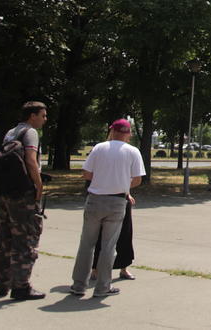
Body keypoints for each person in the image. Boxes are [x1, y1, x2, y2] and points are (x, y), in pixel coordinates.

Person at [69, 118, 144, 298]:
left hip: (95, 199)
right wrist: (123, 186)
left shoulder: (99, 148)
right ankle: (102, 287)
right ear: (129, 133)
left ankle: (79, 285)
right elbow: (138, 179)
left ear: (112, 131)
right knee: (108, 246)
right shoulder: (133, 151)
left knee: (86, 244)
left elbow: (86, 173)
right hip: (117, 201)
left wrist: (102, 180)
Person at [0, 101, 48, 300]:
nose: (44, 119)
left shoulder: (11, 132)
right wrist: (39, 186)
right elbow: (31, 161)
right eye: (43, 115)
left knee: (4, 237)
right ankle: (21, 286)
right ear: (32, 116)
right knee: (25, 238)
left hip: (6, 192)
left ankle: (2, 282)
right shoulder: (30, 133)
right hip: (23, 194)